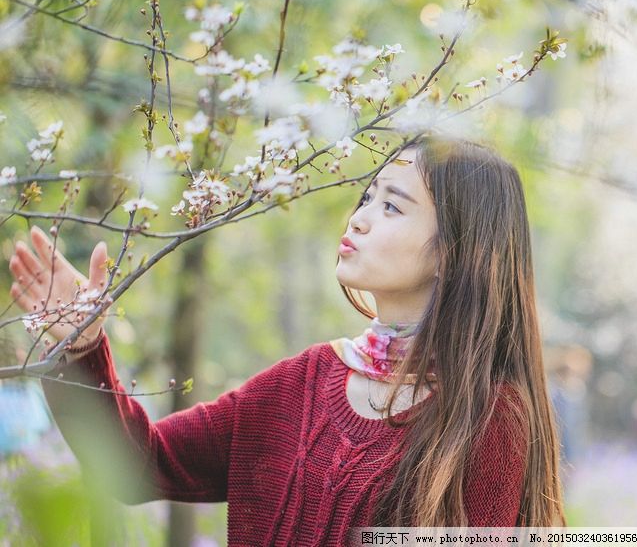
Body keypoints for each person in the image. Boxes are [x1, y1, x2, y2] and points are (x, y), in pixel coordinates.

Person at [6, 134, 566, 545]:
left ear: (455, 251)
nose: (360, 218)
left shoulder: (488, 419)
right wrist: (79, 347)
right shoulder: (298, 385)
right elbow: (138, 465)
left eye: (392, 206)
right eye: (367, 196)